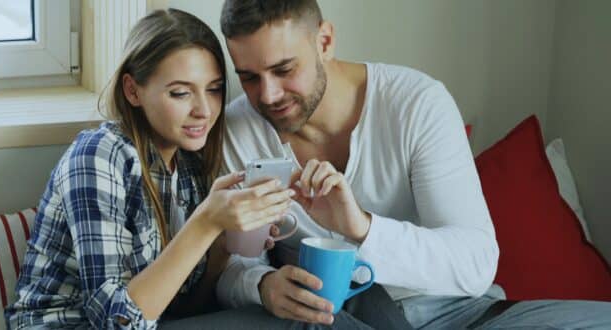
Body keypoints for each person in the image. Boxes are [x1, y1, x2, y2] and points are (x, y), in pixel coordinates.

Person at [214, 0, 611, 329]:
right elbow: (231, 265)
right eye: (248, 77)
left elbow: (475, 263)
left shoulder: (417, 103)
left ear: (325, 41)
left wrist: (362, 227)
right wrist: (262, 285)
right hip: (340, 319)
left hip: (463, 315)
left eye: (284, 70)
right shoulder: (238, 129)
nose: (267, 95)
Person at [4, 9, 299, 329]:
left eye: (213, 89)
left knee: (298, 318)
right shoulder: (98, 156)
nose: (203, 110)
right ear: (132, 90)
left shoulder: (190, 167)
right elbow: (118, 322)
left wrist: (220, 246)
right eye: (181, 93)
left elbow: (186, 309)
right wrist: (205, 222)